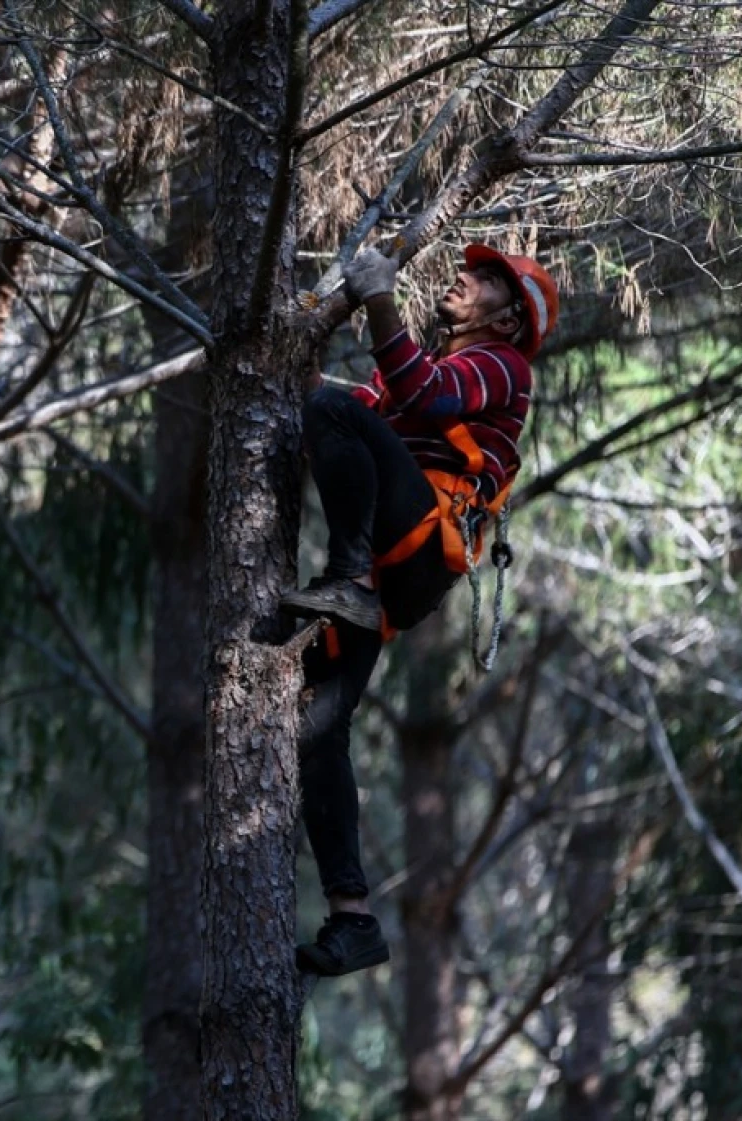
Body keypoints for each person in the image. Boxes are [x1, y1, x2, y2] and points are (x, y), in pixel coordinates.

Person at [280, 243, 558, 976]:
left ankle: (342, 577)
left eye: (490, 278)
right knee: (317, 728)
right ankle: (354, 919)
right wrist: (299, 372)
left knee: (331, 407)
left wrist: (377, 303)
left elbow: (425, 398)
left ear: (507, 320)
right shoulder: (433, 369)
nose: (467, 276)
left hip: (419, 546)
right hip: (395, 575)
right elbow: (366, 410)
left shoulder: (503, 366)